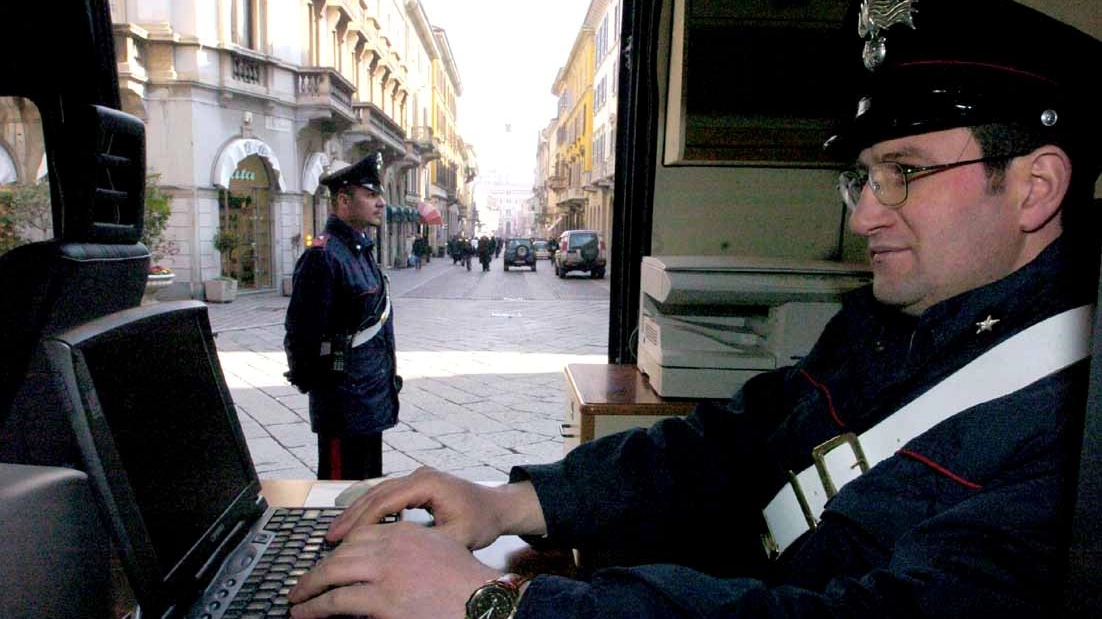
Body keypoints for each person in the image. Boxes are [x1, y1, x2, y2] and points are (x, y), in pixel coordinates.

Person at [289, 2, 1101, 617]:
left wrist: (496, 604)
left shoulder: (1071, 435)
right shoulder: (890, 320)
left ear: (1035, 188)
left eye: (905, 171)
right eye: (865, 177)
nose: (864, 215)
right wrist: (510, 502)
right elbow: (732, 445)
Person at [283, 152, 401, 481]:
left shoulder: (360, 252)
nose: (380, 203)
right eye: (371, 194)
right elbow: (303, 333)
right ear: (344, 201)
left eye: (380, 195)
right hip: (344, 404)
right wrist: (326, 391)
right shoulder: (324, 256)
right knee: (338, 498)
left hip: (370, 397)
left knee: (367, 490)